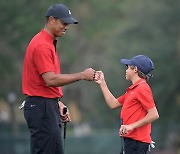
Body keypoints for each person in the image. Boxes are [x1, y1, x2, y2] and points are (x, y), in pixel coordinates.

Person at [22, 3, 98, 154]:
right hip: (41, 108)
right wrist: (82, 75)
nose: (67, 27)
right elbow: (50, 80)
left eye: (68, 23)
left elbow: (44, 83)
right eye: (64, 22)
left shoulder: (49, 43)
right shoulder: (42, 45)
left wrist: (57, 102)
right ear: (51, 20)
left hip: (47, 106)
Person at [95, 55, 159, 154]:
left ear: (135, 69)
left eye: (128, 67)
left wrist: (131, 126)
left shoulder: (142, 88)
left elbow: (154, 114)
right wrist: (102, 83)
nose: (126, 70)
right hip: (130, 141)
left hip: (137, 142)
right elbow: (113, 104)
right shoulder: (133, 89)